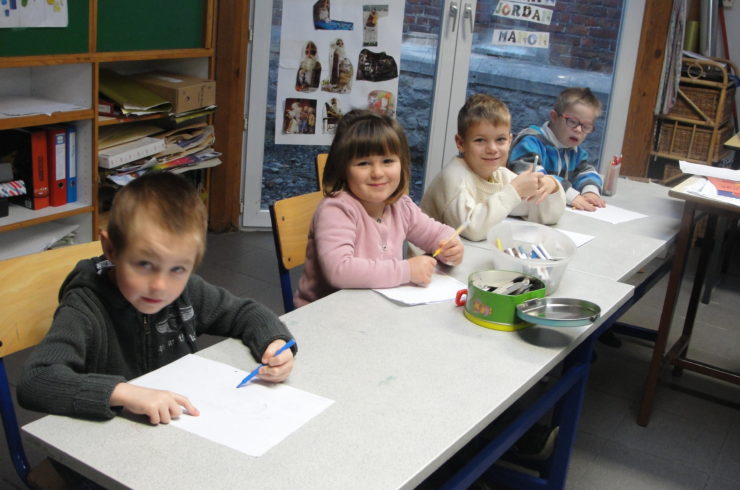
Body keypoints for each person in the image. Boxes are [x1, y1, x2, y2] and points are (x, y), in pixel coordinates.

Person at [18, 172, 296, 425]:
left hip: (176, 425)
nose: (160, 286)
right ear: (111, 249)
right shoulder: (86, 306)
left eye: (178, 269)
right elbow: (35, 381)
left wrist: (275, 344)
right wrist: (122, 392)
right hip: (110, 435)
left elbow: (245, 313)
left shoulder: (188, 291)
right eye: (144, 265)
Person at [294, 109, 464, 307]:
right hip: (325, 312)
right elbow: (339, 270)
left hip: (376, 308)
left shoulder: (401, 206)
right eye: (363, 163)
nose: (377, 173)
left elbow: (437, 234)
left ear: (402, 163)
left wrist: (451, 246)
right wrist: (406, 271)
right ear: (343, 168)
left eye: (387, 161)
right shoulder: (337, 210)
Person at [421, 94, 565, 242]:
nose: (492, 149)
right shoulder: (453, 177)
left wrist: (552, 186)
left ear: (510, 141)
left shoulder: (501, 175)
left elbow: (545, 215)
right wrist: (515, 191)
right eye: (480, 140)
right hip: (431, 255)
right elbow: (472, 229)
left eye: (500, 139)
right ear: (460, 143)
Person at [509, 87, 605, 211]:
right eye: (572, 122)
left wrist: (590, 192)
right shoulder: (531, 141)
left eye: (586, 126)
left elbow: (586, 172)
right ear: (554, 117)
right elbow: (533, 175)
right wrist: (569, 194)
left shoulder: (575, 152)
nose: (578, 130)